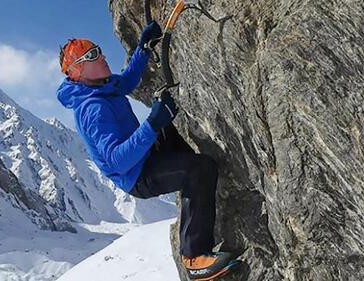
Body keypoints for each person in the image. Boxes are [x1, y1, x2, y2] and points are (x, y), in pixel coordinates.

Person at [56, 21, 236, 281]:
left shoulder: (102, 85)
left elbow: (127, 82)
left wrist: (143, 48)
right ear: (78, 70)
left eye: (99, 50)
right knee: (200, 168)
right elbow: (118, 160)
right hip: (137, 175)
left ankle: (196, 188)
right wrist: (152, 123)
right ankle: (195, 258)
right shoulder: (92, 109)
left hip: (143, 156)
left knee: (171, 129)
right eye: (92, 55)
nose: (103, 56)